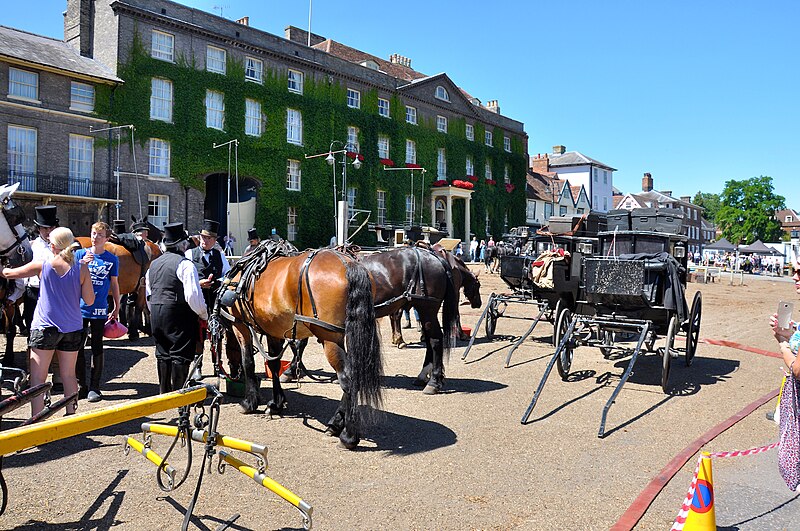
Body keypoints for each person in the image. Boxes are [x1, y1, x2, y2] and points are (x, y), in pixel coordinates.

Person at [0, 227, 95, 416]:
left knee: (37, 377)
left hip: (45, 327)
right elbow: (90, 300)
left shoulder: (43, 264)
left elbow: (9, 274)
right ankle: (70, 415)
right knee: (69, 375)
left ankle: (37, 418)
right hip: (73, 327)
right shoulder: (82, 267)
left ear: (51, 245)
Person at [146, 223, 208, 393]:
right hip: (178, 313)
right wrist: (204, 315)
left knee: (163, 354)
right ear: (183, 245)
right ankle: (179, 398)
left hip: (157, 313)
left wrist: (154, 312)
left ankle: (163, 394)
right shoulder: (186, 265)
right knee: (180, 355)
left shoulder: (154, 265)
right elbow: (193, 296)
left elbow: (149, 294)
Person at [74, 222, 120, 403]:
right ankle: (81, 385)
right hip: (79, 308)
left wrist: (117, 305)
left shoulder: (111, 259)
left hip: (100, 309)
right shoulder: (79, 254)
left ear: (106, 239)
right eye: (94, 233)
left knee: (97, 346)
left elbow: (114, 284)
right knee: (77, 347)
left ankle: (95, 386)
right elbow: (71, 280)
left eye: (100, 235)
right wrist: (81, 264)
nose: (96, 237)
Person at [186, 219, 230, 379]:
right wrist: (198, 283)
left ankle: (217, 366)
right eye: (203, 237)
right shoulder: (190, 254)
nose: (205, 241)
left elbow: (228, 275)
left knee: (217, 334)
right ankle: (197, 367)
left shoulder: (220, 255)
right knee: (198, 335)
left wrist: (217, 282)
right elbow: (184, 278)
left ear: (215, 240)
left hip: (215, 301)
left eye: (209, 238)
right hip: (196, 300)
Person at [22, 205, 58, 335]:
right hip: (33, 291)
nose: (48, 231)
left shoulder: (61, 247)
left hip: (54, 292)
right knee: (31, 324)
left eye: (51, 228)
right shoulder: (31, 246)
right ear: (38, 229)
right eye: (45, 228)